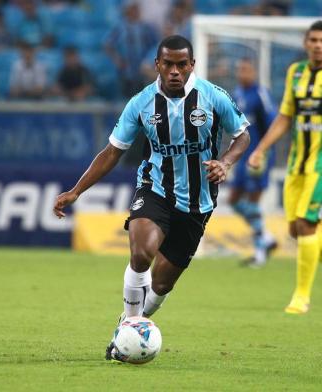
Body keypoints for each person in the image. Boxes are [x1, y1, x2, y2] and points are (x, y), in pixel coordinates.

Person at [53, 35, 250, 361]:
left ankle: (131, 321)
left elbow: (243, 135)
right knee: (142, 252)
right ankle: (129, 327)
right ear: (157, 65)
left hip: (198, 203)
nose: (175, 71)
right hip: (155, 188)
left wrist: (225, 161)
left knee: (161, 284)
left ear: (192, 66)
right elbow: (111, 153)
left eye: (181, 64)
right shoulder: (141, 103)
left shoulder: (214, 97)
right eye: (168, 64)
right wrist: (76, 191)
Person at [248, 21, 322, 314]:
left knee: (306, 225)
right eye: (313, 40)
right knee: (296, 229)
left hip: (320, 165)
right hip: (296, 163)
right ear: (305, 43)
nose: (318, 45)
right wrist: (260, 149)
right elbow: (284, 117)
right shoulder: (296, 73)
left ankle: (301, 297)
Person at [229, 58, 278, 267]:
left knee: (252, 202)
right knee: (233, 200)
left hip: (259, 156)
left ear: (255, 72)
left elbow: (274, 124)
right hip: (242, 156)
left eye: (247, 69)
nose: (243, 73)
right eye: (240, 69)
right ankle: (266, 238)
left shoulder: (261, 94)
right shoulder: (237, 94)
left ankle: (259, 253)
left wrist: (262, 153)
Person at [104, 0, 159, 98]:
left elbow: (155, 46)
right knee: (127, 98)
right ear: (127, 10)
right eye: (133, 8)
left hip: (143, 71)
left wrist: (149, 62)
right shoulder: (120, 27)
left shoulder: (146, 28)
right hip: (126, 71)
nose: (135, 11)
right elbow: (108, 45)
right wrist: (117, 60)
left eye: (136, 8)